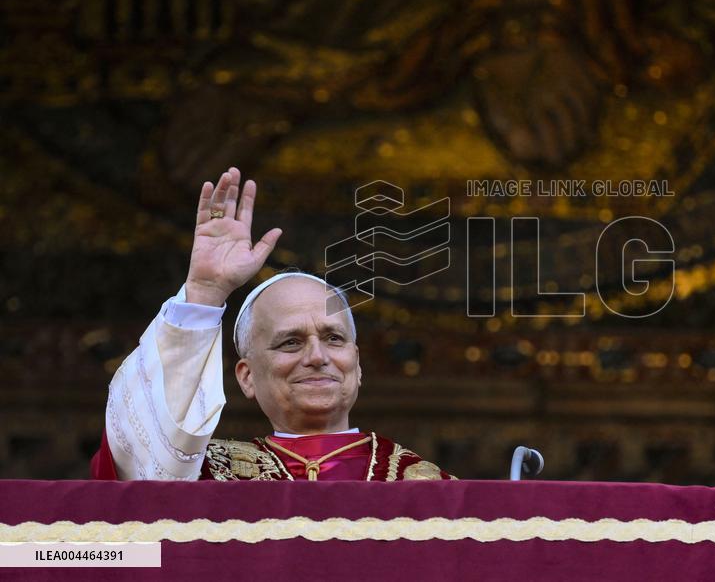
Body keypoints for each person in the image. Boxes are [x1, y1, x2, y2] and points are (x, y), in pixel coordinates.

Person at [90, 167, 451, 481]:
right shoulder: (203, 476)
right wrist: (204, 292)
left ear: (357, 365)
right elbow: (139, 459)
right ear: (247, 376)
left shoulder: (430, 489)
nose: (316, 356)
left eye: (334, 338)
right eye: (290, 342)